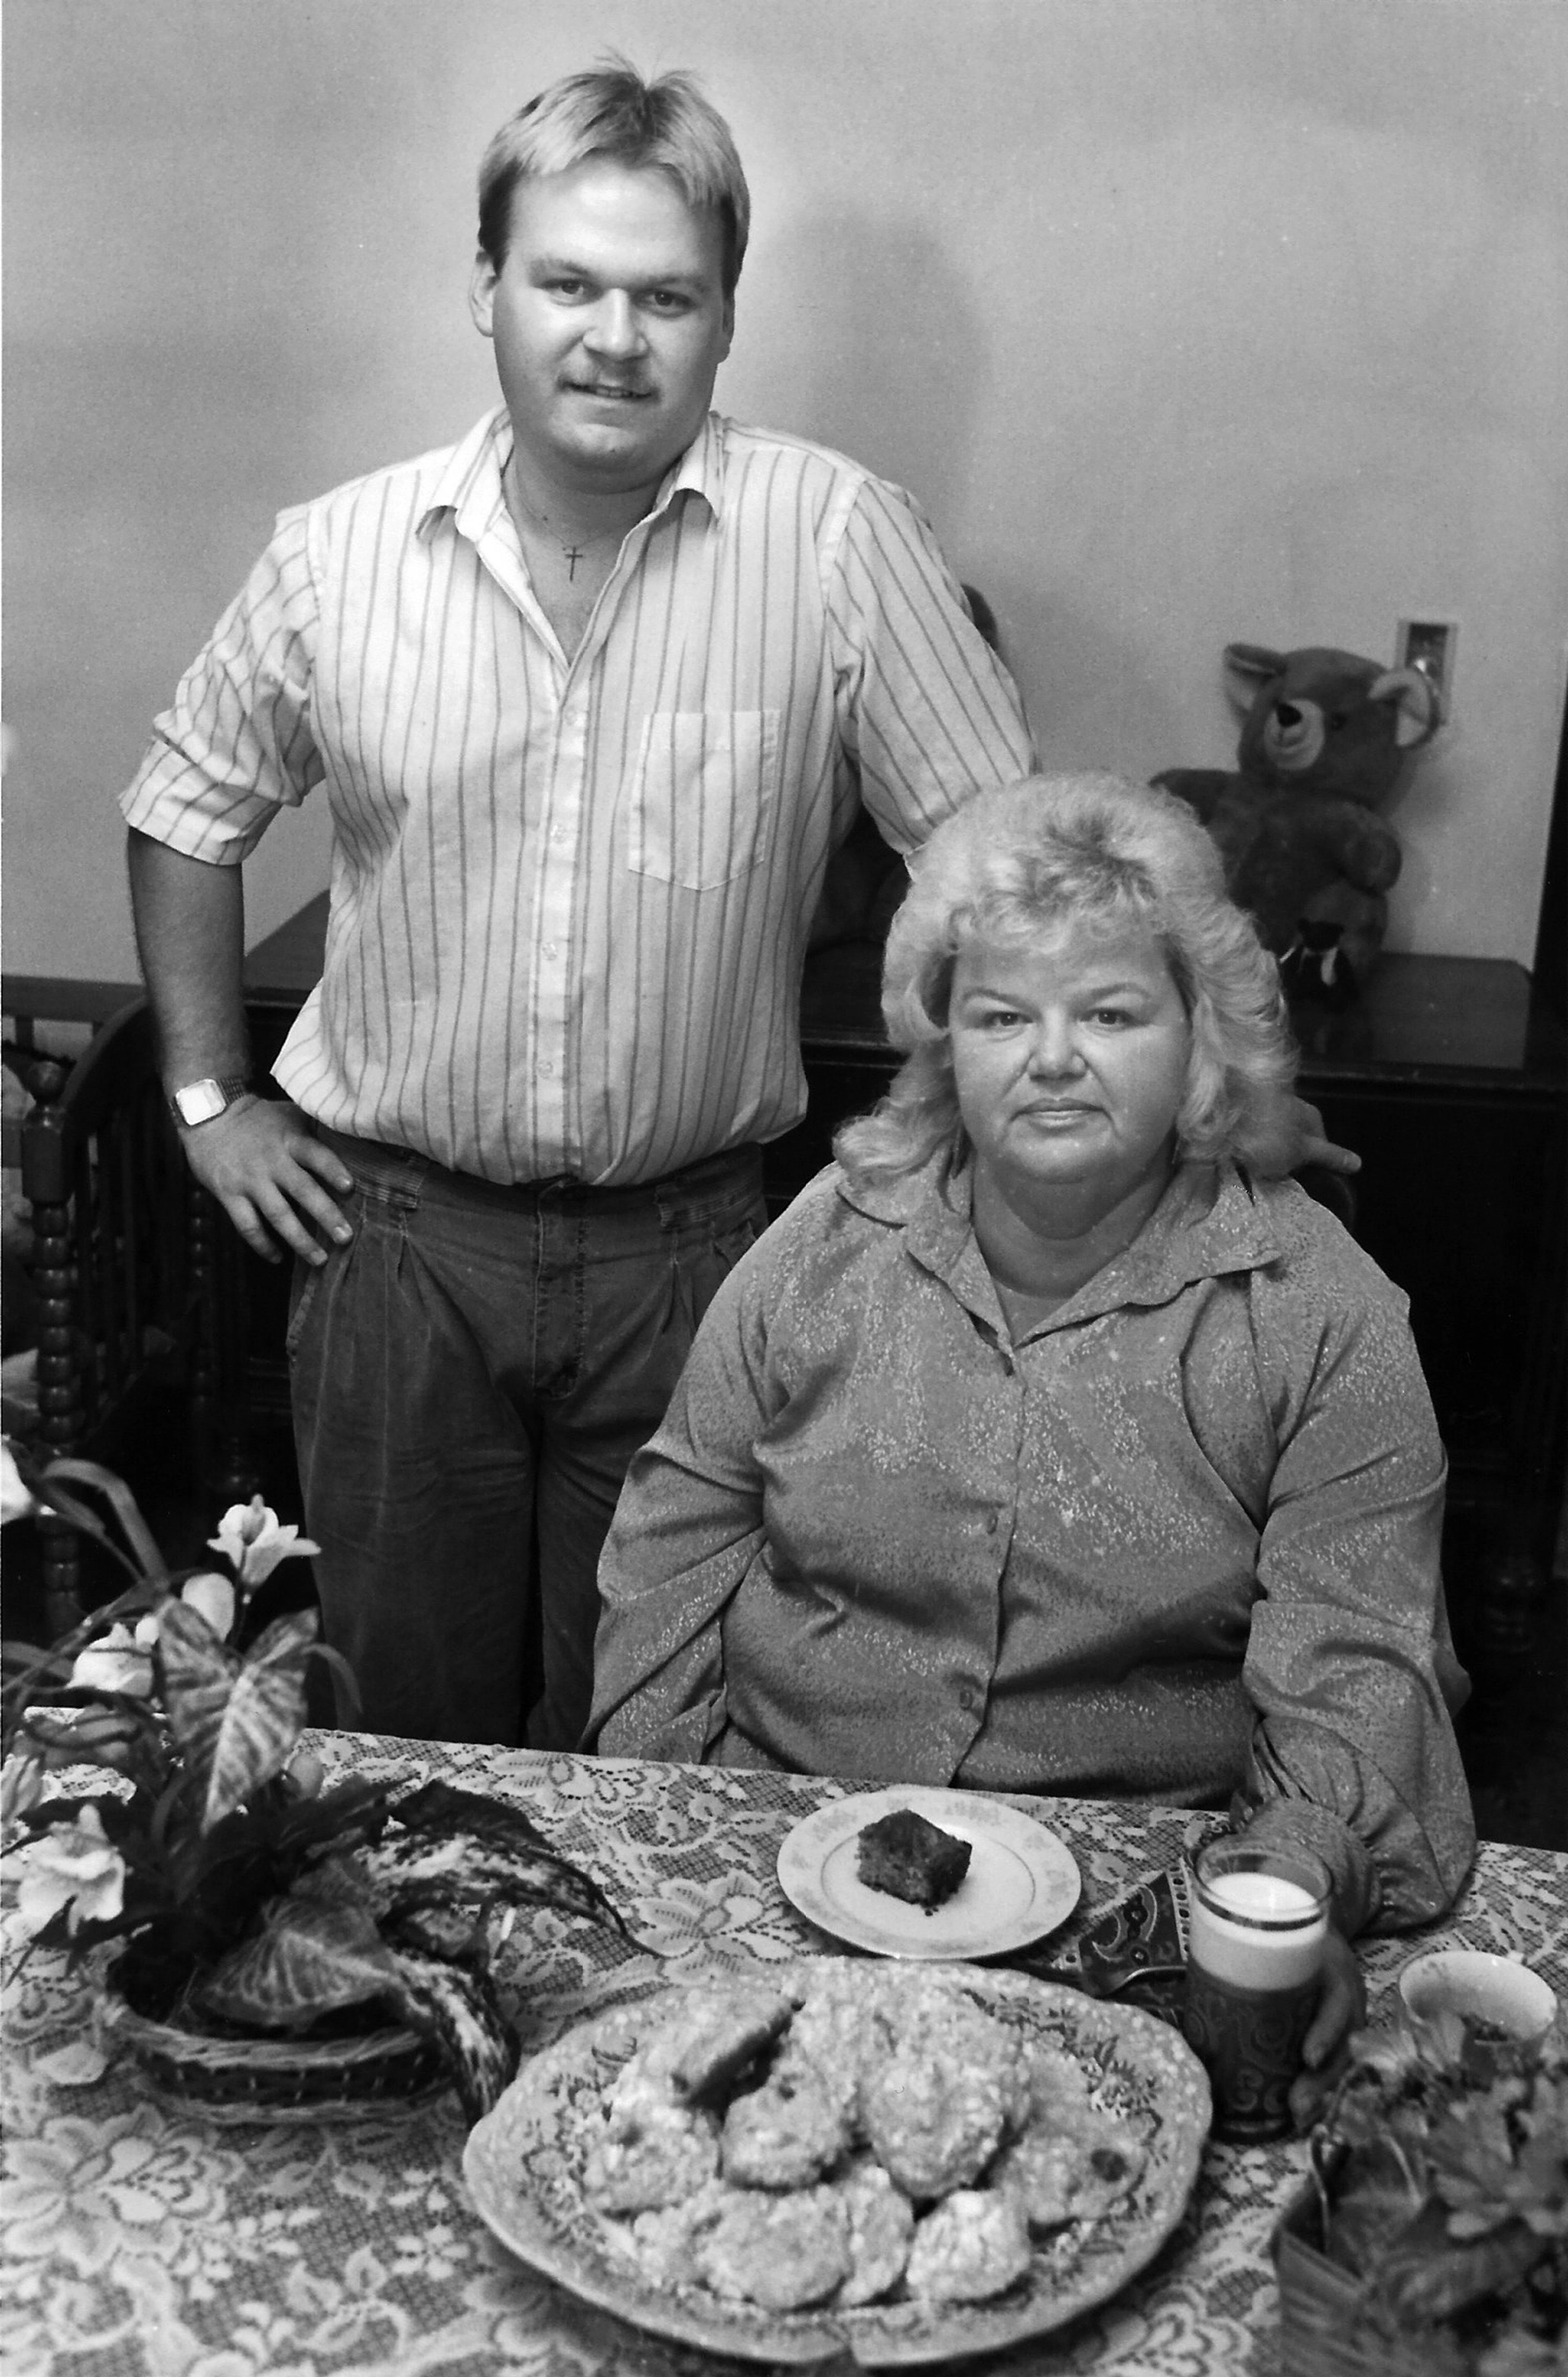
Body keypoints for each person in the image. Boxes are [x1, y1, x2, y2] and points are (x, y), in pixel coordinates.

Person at [118, 62, 1037, 1752]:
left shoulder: (838, 544)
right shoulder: (340, 557)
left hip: (699, 1262)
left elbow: (1002, 868)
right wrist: (205, 1101)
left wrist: (957, 1148)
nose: (615, 337)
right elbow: (184, 809)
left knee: (665, 1735)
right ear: (487, 290)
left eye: (666, 295)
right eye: (569, 284)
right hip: (394, 1254)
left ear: (724, 319)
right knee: (399, 1742)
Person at [588, 772, 1475, 2106]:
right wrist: (689, 1834)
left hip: (1138, 1906)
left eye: (1111, 1013)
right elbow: (675, 1542)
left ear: (1203, 1042)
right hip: (784, 1851)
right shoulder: (825, 1245)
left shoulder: (1318, 1314)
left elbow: (1363, 1672)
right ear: (949, 1045)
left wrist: (1278, 1900)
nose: (1052, 1057)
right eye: (1004, 1016)